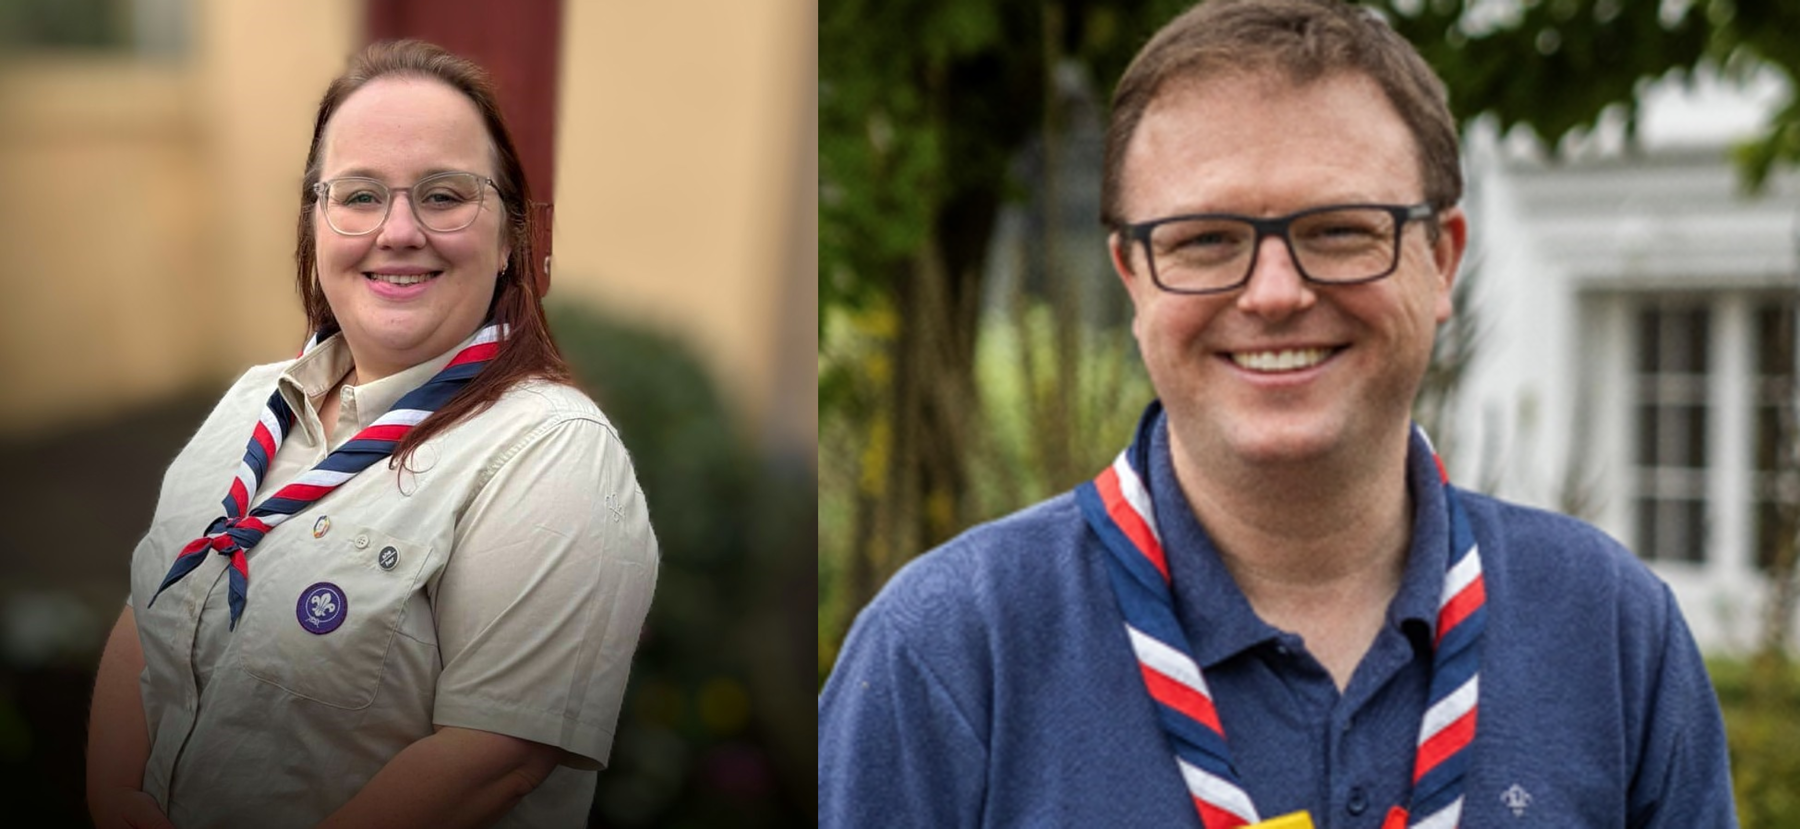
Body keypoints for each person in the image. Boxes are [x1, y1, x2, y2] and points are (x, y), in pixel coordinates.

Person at [817, 1, 1737, 826]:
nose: (1274, 292)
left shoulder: (1611, 633)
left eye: (1339, 230)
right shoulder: (946, 654)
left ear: (1442, 259)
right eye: (1206, 240)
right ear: (1132, 277)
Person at [84, 40, 659, 829]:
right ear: (315, 224)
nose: (397, 230)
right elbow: (146, 615)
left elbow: (492, 757)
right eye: (358, 196)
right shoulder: (253, 403)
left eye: (445, 195)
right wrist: (114, 801)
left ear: (511, 236)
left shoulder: (552, 451)